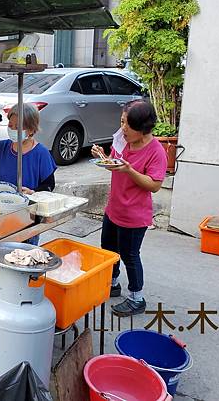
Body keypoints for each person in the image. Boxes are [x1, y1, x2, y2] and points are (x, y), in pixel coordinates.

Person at [91, 101, 167, 317]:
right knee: (109, 250)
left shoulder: (156, 151)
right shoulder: (123, 140)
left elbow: (154, 185)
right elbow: (114, 163)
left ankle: (136, 298)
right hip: (113, 208)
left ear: (142, 129)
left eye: (127, 124)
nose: (122, 128)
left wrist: (129, 170)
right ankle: (112, 284)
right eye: (122, 121)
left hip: (134, 216)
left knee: (130, 255)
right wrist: (102, 157)